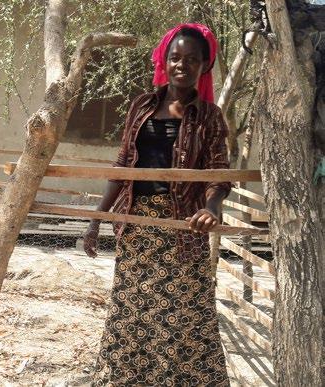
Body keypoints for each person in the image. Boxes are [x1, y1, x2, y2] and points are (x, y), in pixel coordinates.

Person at [85, 23, 231, 386]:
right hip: (136, 225)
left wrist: (211, 208)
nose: (182, 65)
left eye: (192, 59)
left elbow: (218, 173)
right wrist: (96, 219)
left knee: (184, 315)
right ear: (164, 61)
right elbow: (123, 166)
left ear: (204, 67)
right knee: (132, 310)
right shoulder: (142, 107)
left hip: (184, 228)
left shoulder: (210, 117)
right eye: (176, 57)